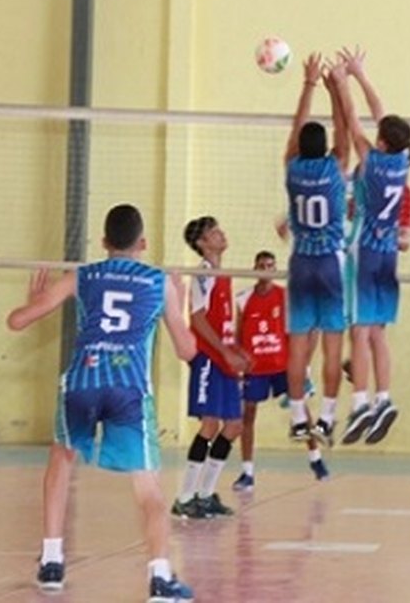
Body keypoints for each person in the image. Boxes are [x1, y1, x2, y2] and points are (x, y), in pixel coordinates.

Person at [6, 203, 196, 601]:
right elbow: (186, 350)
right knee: (149, 490)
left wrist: (34, 299)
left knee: (61, 458)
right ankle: (160, 578)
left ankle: (52, 560)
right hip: (127, 388)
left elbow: (17, 321)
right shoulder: (158, 282)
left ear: (105, 242)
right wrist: (182, 304)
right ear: (142, 243)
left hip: (82, 381)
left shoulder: (82, 276)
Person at [331, 47, 410, 445]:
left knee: (359, 332)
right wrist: (363, 75)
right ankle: (384, 398)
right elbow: (381, 115)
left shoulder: (374, 160)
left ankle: (360, 404)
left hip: (363, 252)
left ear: (381, 142)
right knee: (379, 333)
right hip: (387, 257)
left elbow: (351, 120)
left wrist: (344, 81)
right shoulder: (401, 162)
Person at [283, 52, 351, 445]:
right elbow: (343, 133)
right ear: (325, 148)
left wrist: (307, 84)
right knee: (331, 344)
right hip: (330, 264)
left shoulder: (292, 167)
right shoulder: (335, 168)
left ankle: (296, 417)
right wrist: (335, 89)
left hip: (301, 264)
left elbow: (296, 129)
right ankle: (325, 418)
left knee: (298, 346)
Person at [172, 216, 249, 519]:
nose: (221, 234)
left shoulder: (224, 274)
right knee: (210, 424)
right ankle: (185, 496)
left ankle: (205, 494)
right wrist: (222, 352)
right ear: (203, 243)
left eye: (219, 228)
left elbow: (224, 321)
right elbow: (199, 319)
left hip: (224, 357)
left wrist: (237, 349)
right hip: (209, 359)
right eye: (214, 232)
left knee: (233, 426)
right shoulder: (203, 274)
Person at [232, 250, 329, 491]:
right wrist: (238, 361)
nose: (266, 269)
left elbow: (311, 328)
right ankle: (247, 473)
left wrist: (304, 363)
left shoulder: (286, 297)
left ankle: (316, 460)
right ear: (255, 268)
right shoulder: (243, 299)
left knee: (301, 411)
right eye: (261, 265)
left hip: (282, 366)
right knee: (247, 416)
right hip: (255, 369)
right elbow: (236, 335)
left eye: (270, 265)